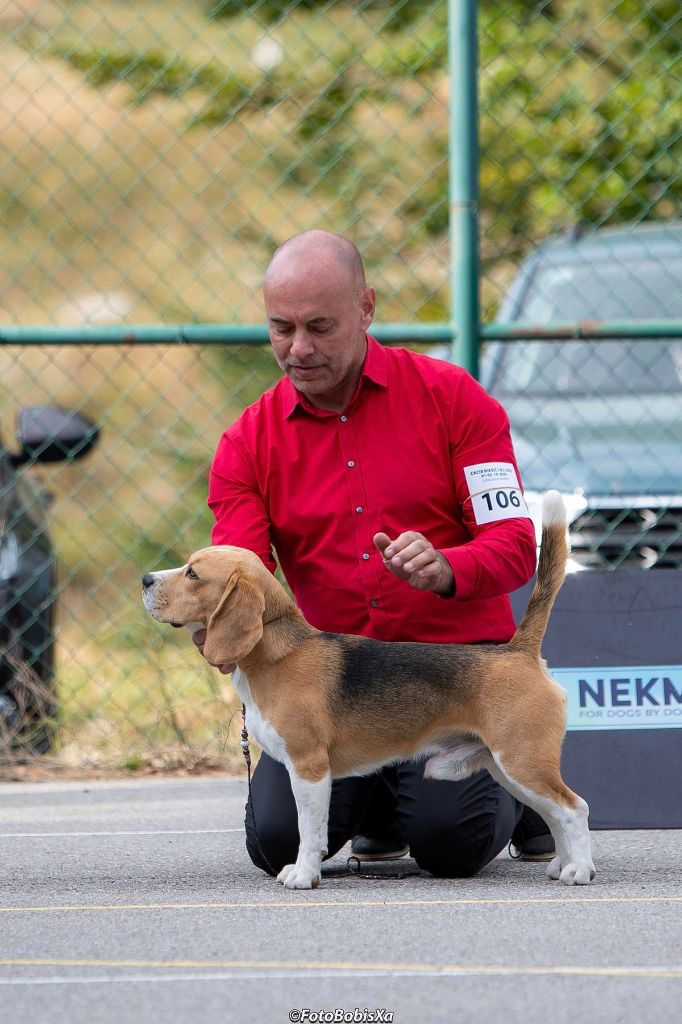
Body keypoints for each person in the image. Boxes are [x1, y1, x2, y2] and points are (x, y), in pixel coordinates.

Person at [195, 229, 554, 878]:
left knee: (452, 842)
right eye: (281, 328)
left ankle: (513, 787)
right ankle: (382, 803)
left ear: (366, 309)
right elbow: (241, 573)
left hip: (454, 675)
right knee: (275, 844)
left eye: (320, 327)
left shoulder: (456, 400)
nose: (298, 349)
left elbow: (514, 549)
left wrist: (450, 567)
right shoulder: (245, 443)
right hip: (332, 683)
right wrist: (216, 621)